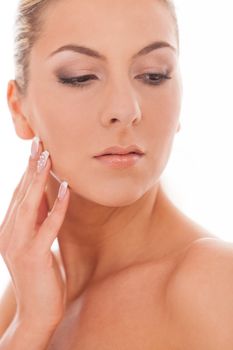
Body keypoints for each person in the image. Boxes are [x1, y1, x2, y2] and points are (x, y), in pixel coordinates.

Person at [0, 0, 233, 349]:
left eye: (154, 75)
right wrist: (30, 326)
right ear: (20, 110)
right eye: (80, 77)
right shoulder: (25, 296)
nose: (126, 110)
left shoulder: (213, 285)